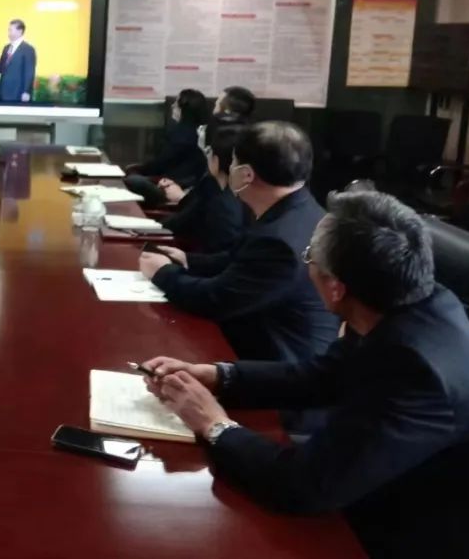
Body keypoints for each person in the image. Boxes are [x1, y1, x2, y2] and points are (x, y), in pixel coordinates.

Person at [141, 191, 469, 559]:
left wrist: (214, 424)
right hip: (375, 485)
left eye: (309, 256)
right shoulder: (409, 301)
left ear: (336, 287)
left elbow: (302, 487)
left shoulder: (416, 371)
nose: (306, 264)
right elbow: (322, 375)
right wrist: (219, 376)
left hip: (411, 531)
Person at [139, 122, 339, 366]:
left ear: (246, 174)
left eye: (233, 161)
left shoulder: (279, 242)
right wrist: (187, 260)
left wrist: (162, 273)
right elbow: (239, 260)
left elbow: (215, 300)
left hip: (278, 366)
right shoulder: (299, 209)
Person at [162, 123, 249, 253]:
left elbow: (223, 257)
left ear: (216, 161)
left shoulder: (221, 203)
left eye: (209, 152)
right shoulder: (238, 196)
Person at [125, 89, 210, 208]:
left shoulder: (183, 134)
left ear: (184, 109)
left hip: (175, 185)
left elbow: (161, 163)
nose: (172, 106)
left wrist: (140, 170)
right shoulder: (202, 131)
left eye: (176, 103)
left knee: (133, 180)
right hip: (183, 182)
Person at [0, 19, 37, 102]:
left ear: (20, 31)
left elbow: (29, 72)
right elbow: (1, 67)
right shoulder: (6, 48)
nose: (9, 32)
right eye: (8, 30)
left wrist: (26, 91)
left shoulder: (28, 49)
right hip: (3, 92)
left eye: (11, 30)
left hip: (18, 93)